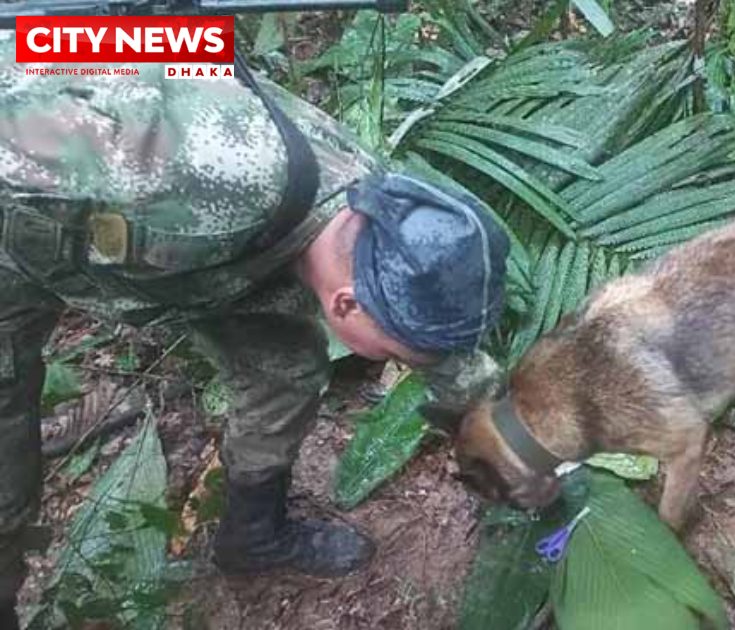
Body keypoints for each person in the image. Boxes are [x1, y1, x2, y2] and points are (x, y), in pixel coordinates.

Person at [0, 34, 509, 629]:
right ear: (346, 304)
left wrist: (516, 430)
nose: (403, 362)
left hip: (201, 264)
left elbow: (436, 345)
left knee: (285, 370)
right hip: (20, 245)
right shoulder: (183, 170)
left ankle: (253, 535)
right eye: (395, 354)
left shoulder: (380, 215)